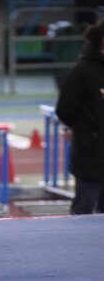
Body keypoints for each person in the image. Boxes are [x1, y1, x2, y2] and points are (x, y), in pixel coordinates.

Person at [56, 18, 104, 215]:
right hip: (90, 155)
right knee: (83, 212)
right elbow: (64, 109)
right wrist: (86, 132)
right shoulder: (82, 70)